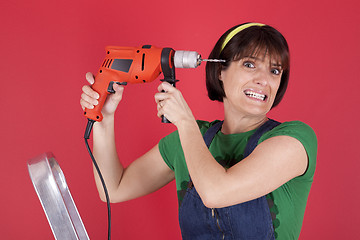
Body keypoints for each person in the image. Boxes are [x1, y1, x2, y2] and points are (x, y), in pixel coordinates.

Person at [80, 23, 317, 239]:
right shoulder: (190, 139)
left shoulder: (294, 141)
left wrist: (184, 121)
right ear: (220, 72)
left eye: (274, 71)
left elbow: (216, 192)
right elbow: (113, 188)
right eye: (249, 64)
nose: (263, 80)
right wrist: (105, 118)